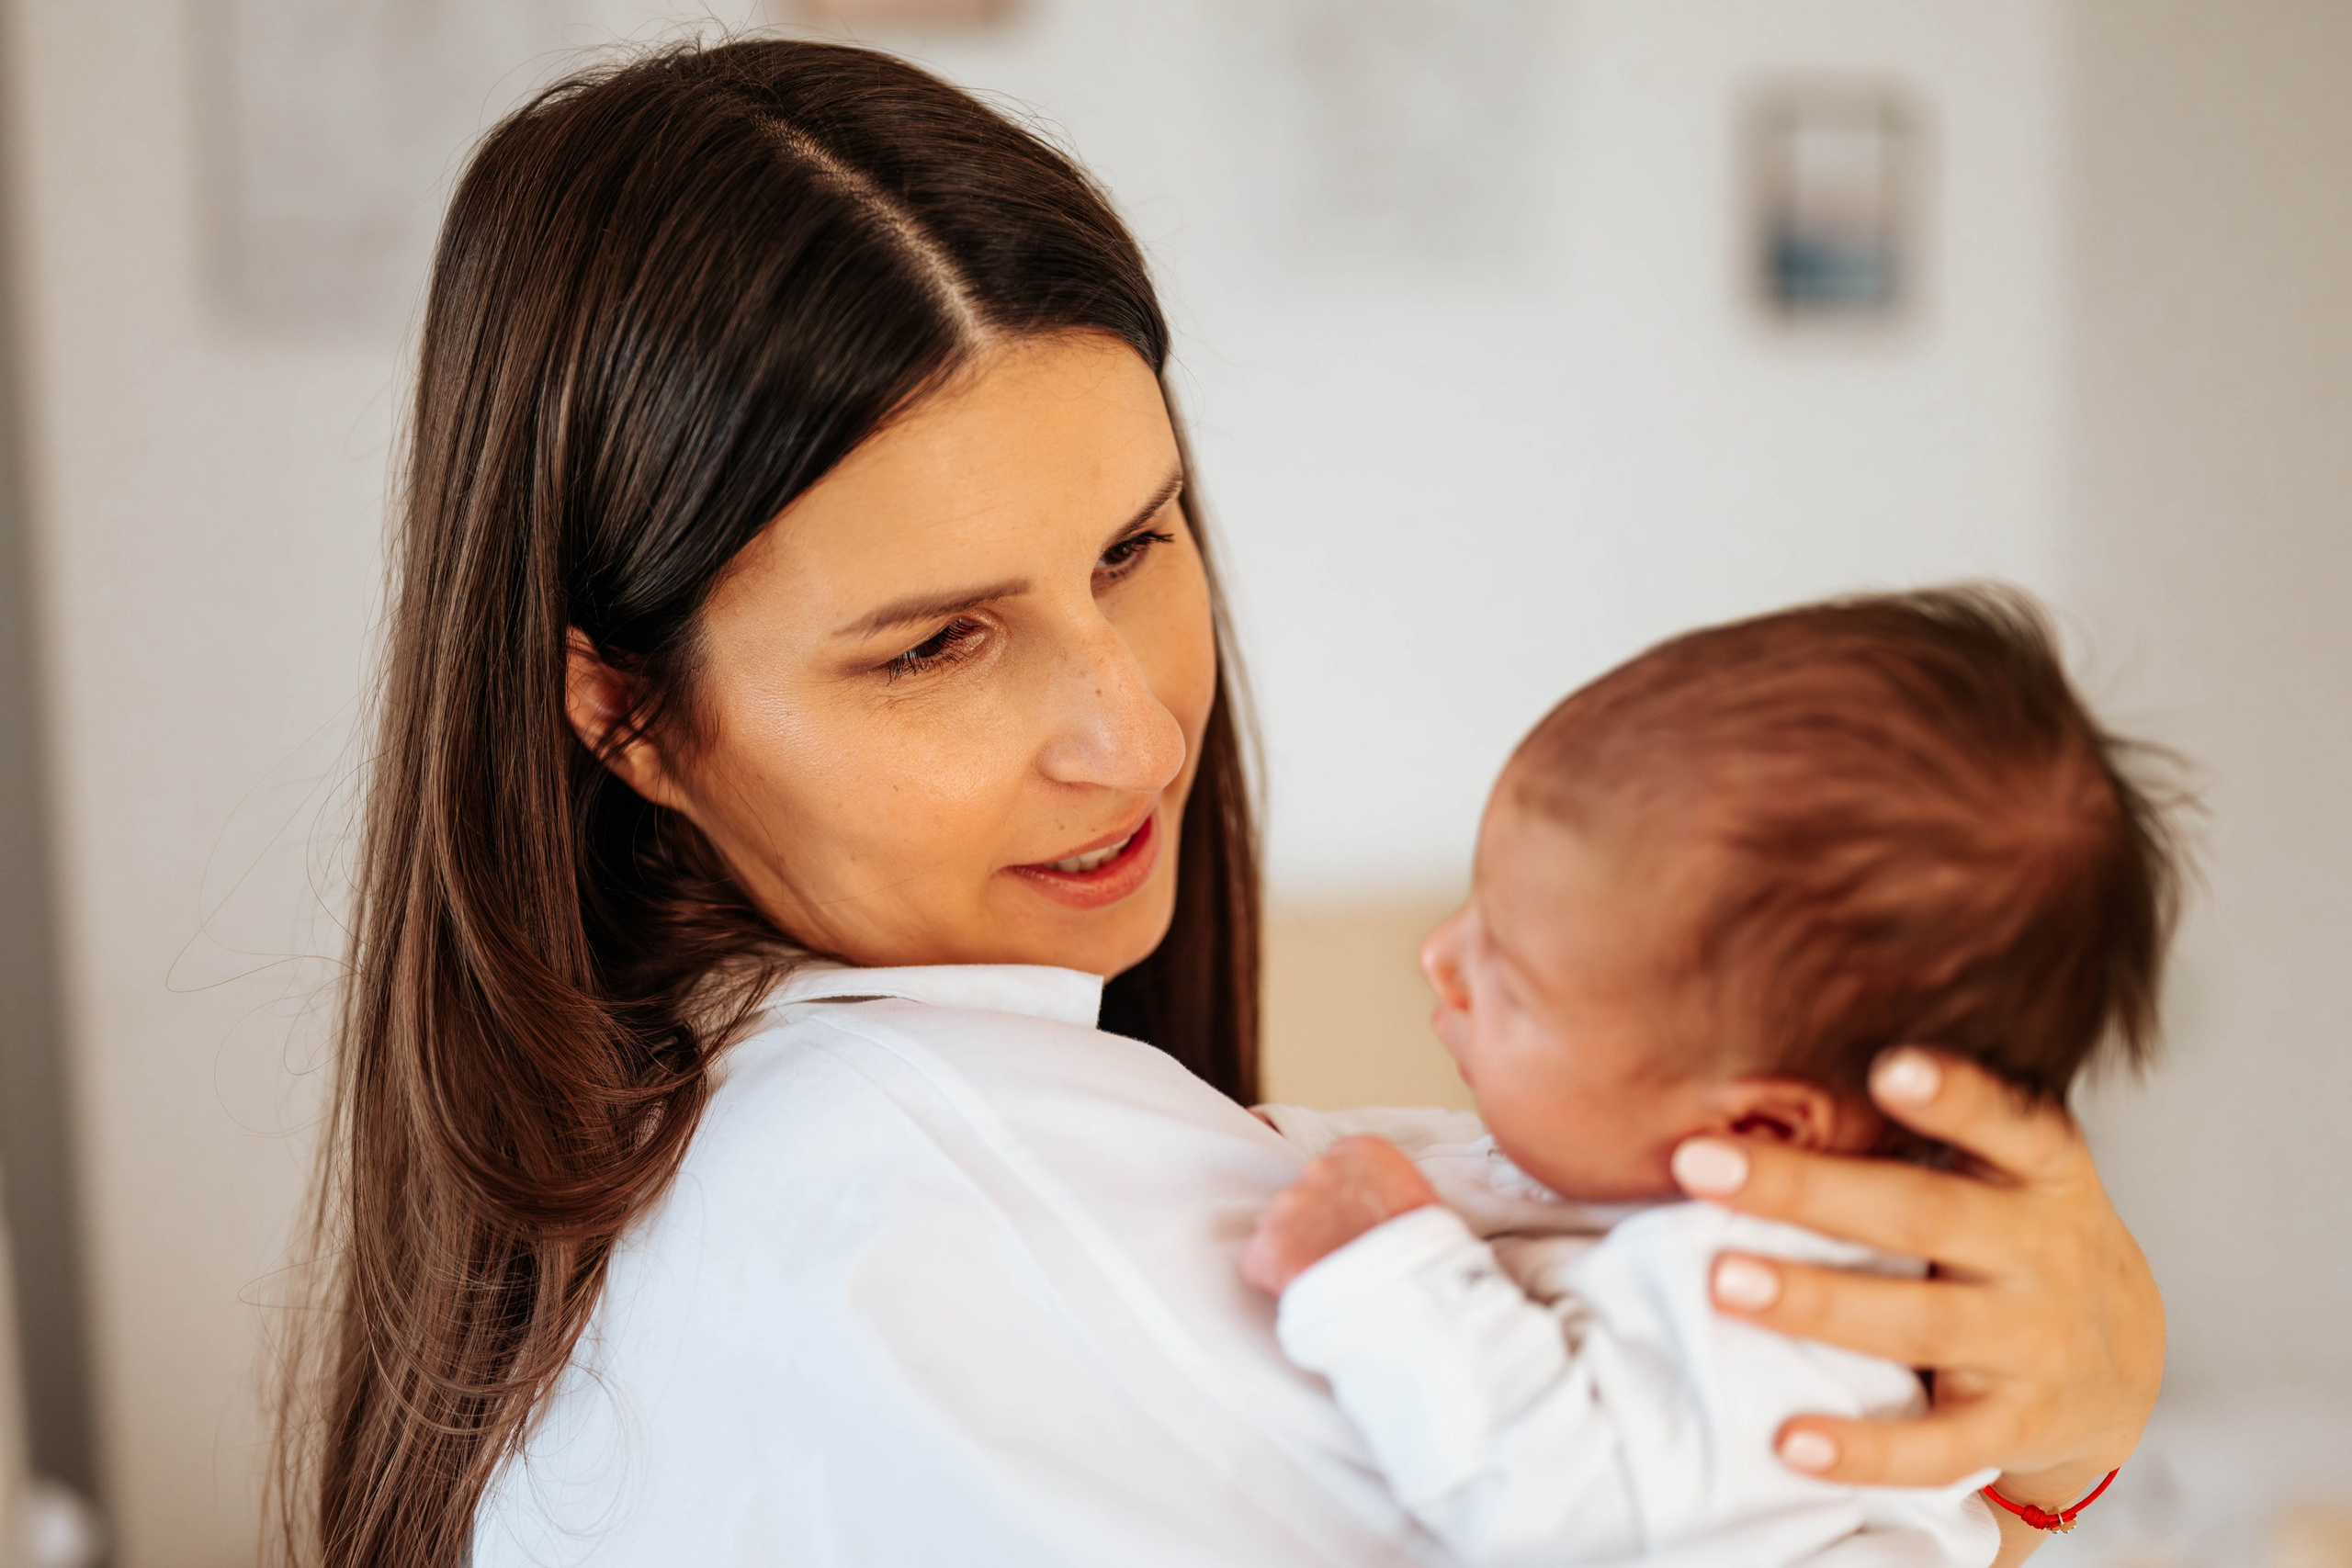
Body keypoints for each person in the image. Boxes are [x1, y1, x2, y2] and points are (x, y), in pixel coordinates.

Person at [275, 36, 2165, 1568]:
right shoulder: (930, 1192)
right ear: (622, 707)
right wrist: (2040, 1448)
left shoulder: (704, 1146)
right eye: (934, 646)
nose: (1130, 733)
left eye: (1132, 543)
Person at [1239, 590, 2180, 1565]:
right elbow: (1475, 1174)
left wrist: (1378, 1272)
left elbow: (1567, 1514)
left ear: (1763, 1133)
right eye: (1473, 904)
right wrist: (1281, 1148)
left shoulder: (1771, 1309)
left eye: (1510, 975)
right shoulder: (1641, 1174)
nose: (1438, 955)